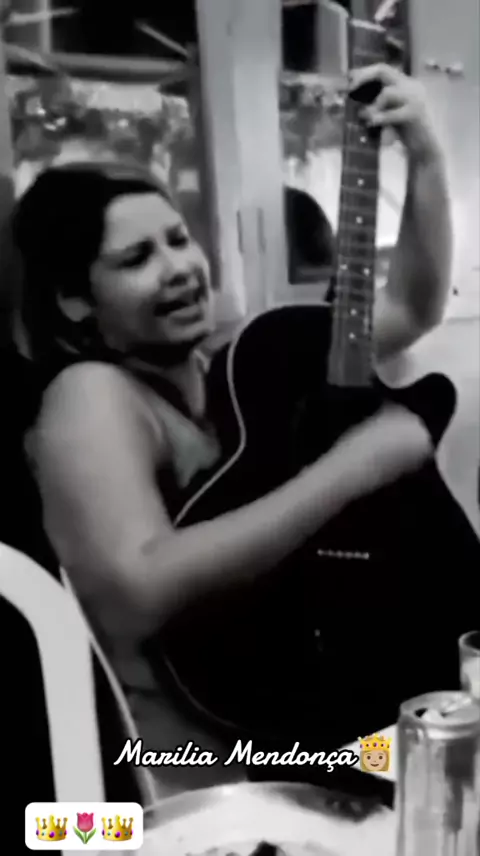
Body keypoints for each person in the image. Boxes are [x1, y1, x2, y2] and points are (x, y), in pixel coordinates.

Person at [11, 65, 467, 794]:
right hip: (189, 776)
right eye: (137, 259)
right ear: (73, 301)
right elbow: (134, 593)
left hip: (287, 732)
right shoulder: (89, 395)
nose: (178, 268)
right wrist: (352, 470)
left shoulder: (225, 368)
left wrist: (426, 152)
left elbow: (411, 306)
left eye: (177, 239)